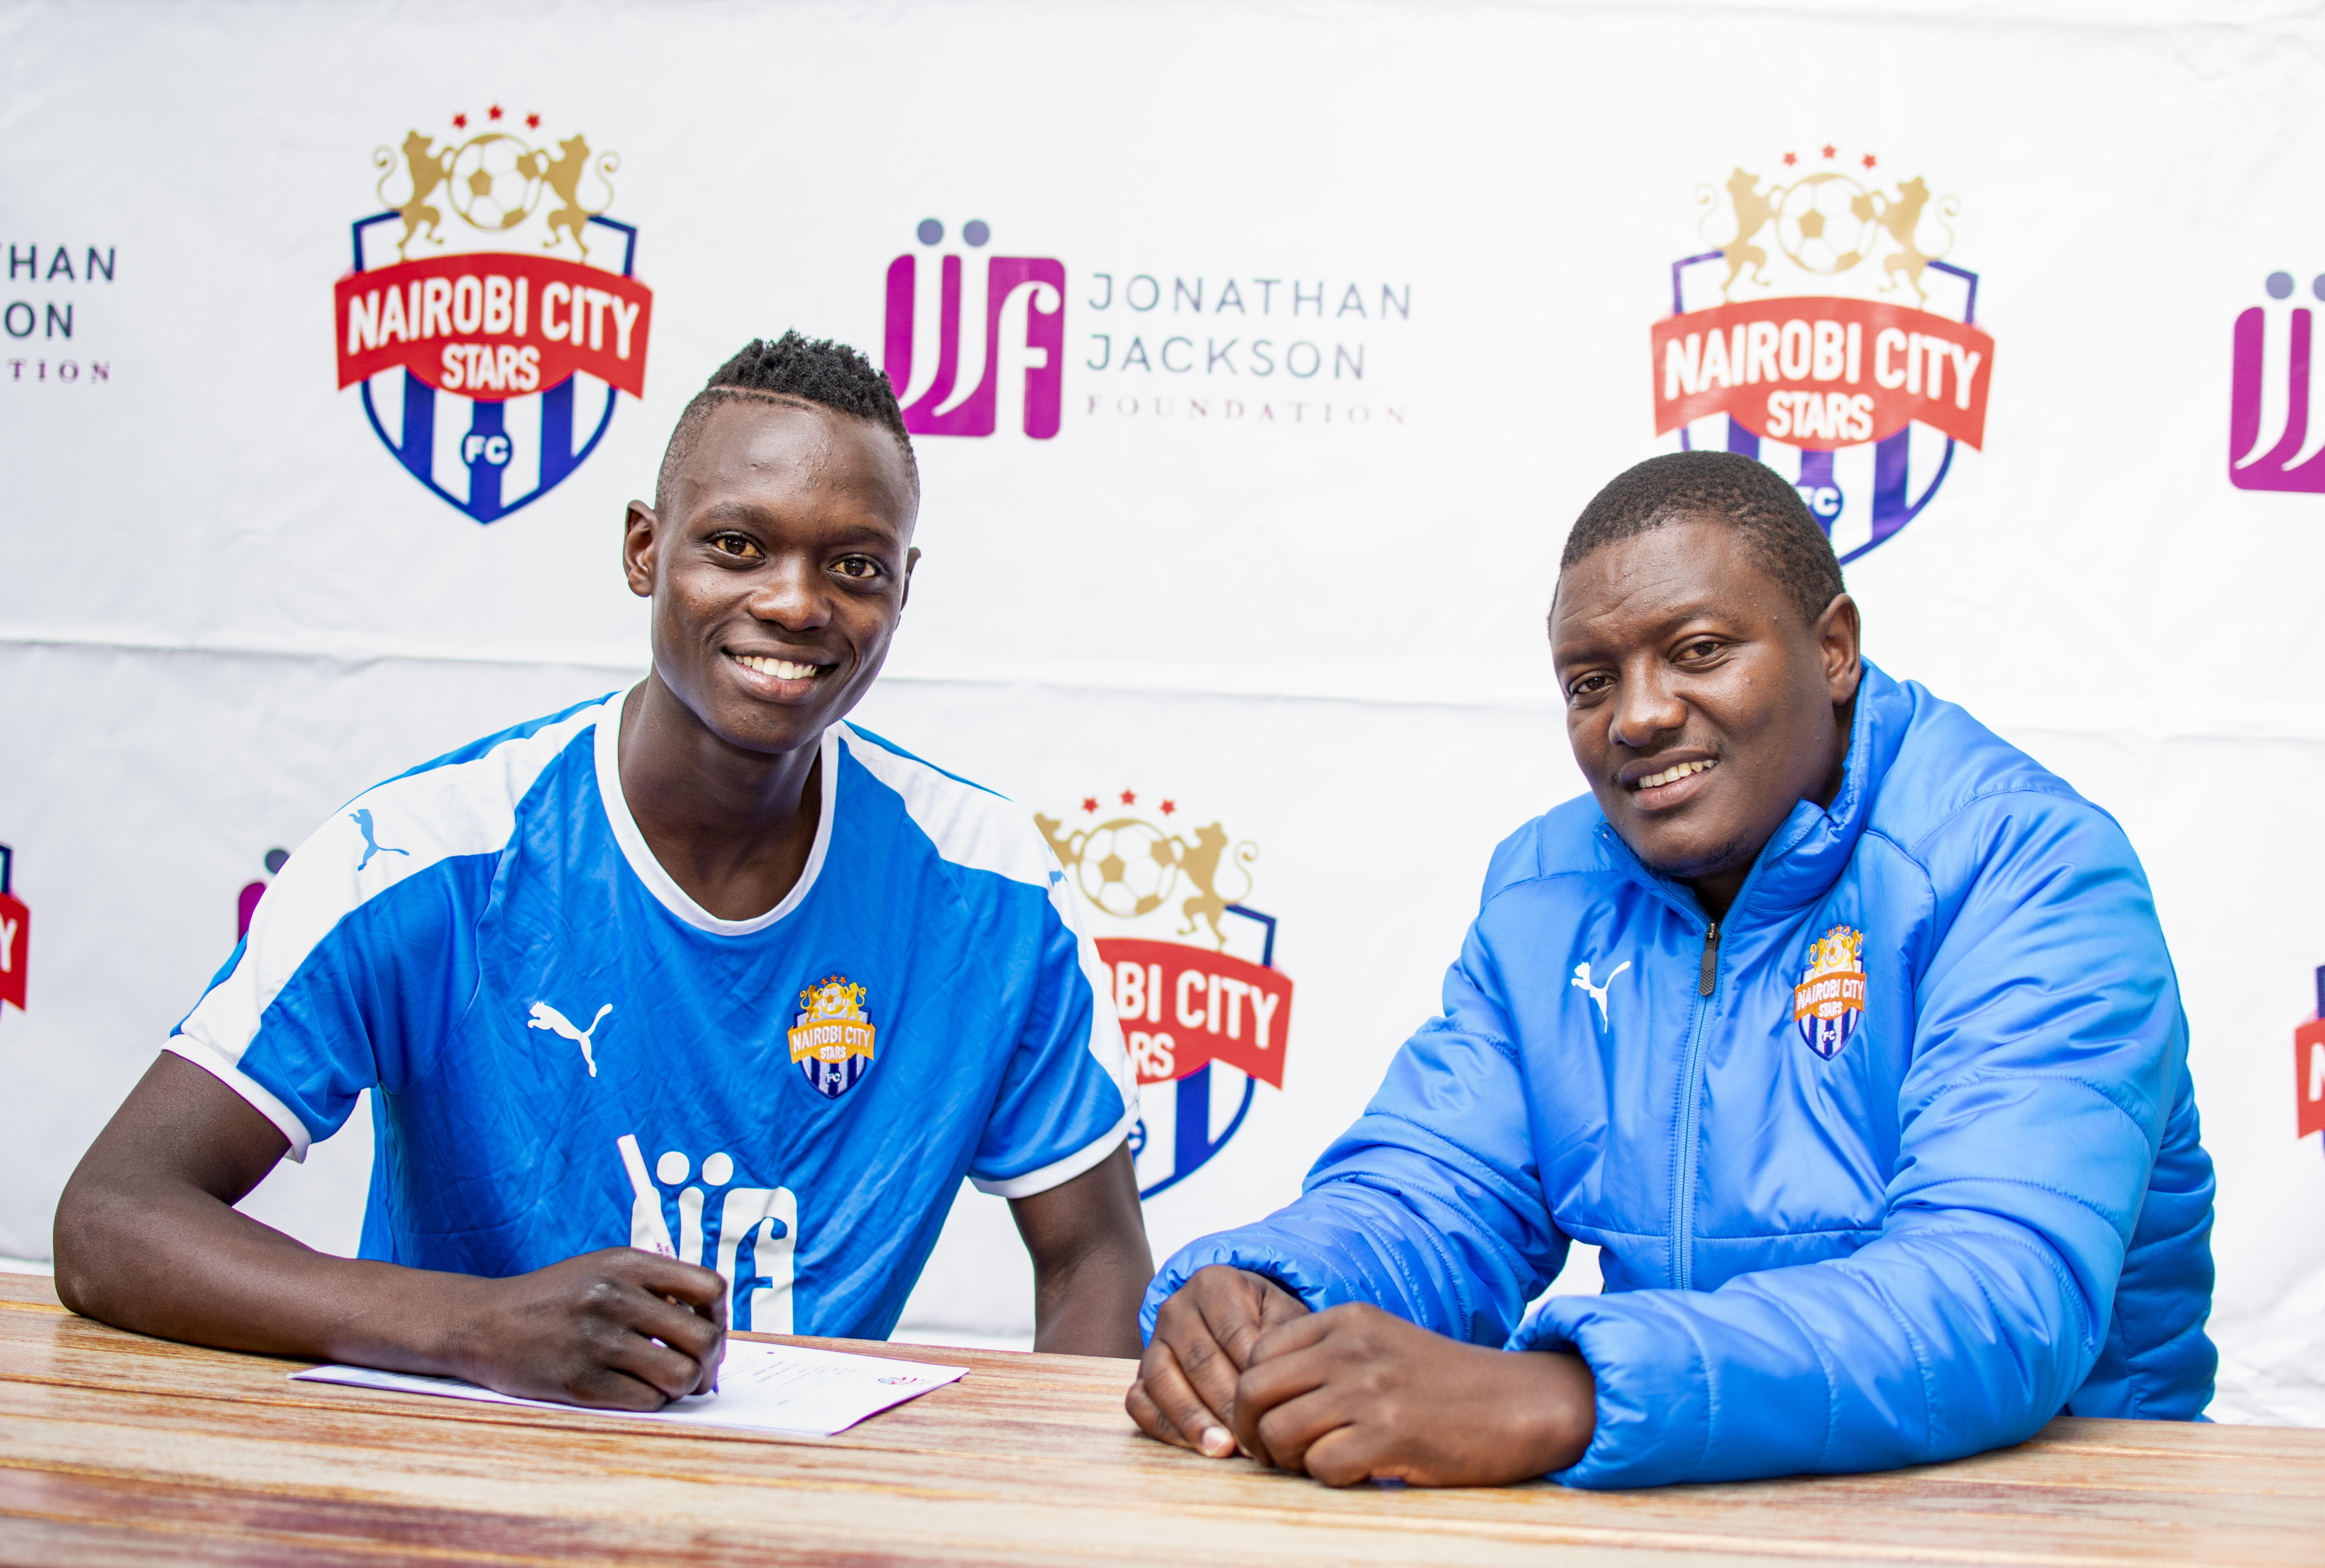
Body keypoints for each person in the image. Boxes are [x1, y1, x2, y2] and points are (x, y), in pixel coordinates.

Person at [55, 333, 1151, 1409]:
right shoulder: (431, 855)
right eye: (737, 546)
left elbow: (1093, 1259)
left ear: (903, 590)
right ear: (644, 550)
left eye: (854, 566)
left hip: (801, 1501)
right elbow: (114, 1217)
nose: (795, 603)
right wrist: (476, 1329)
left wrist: (1042, 1492)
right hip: (449, 1490)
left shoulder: (991, 889)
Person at [1129, 450, 2215, 1489]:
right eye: (1590, 681)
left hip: (2050, 1513)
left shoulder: (2026, 865)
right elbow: (1443, 1190)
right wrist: (1275, 1291)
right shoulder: (1548, 889)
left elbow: (1993, 1298)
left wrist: (1568, 1396)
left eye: (1697, 651)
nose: (1638, 716)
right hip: (1687, 1496)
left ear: (1833, 650)